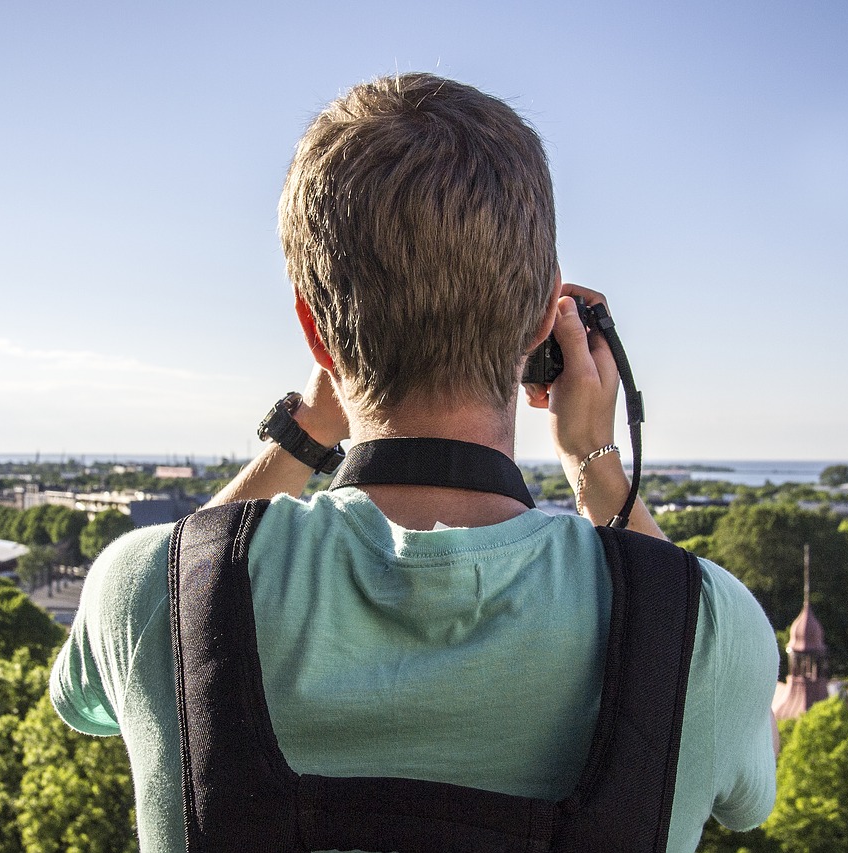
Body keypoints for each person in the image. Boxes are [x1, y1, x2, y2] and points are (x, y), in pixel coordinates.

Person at [51, 72, 778, 852]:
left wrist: (301, 436)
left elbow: (84, 697)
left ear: (315, 333)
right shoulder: (705, 629)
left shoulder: (148, 591)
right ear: (543, 323)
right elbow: (748, 796)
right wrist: (597, 465)